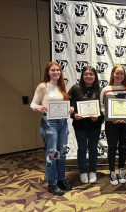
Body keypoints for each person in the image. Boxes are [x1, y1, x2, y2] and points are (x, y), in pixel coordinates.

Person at [30, 62, 74, 195]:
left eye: (58, 70)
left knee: (61, 152)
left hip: (62, 122)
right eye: (53, 70)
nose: (56, 72)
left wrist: (70, 109)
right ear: (48, 72)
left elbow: (62, 105)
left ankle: (61, 179)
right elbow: (33, 103)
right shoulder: (43, 86)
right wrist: (38, 107)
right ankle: (52, 183)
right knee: (52, 153)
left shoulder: (61, 86)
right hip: (49, 123)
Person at [68, 66, 104, 184]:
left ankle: (92, 171)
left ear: (95, 76)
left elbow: (105, 109)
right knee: (82, 149)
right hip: (80, 125)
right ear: (82, 76)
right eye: (86, 74)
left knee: (93, 149)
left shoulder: (100, 90)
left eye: (91, 74)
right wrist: (74, 115)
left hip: (95, 125)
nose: (88, 76)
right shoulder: (75, 88)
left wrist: (99, 117)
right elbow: (67, 106)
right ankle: (83, 172)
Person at [100, 65, 126, 185]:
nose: (119, 76)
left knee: (123, 147)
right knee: (112, 148)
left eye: (122, 74)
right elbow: (102, 107)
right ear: (112, 74)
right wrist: (110, 117)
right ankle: (112, 172)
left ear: (124, 76)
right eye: (117, 73)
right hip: (111, 124)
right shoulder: (106, 89)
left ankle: (121, 170)